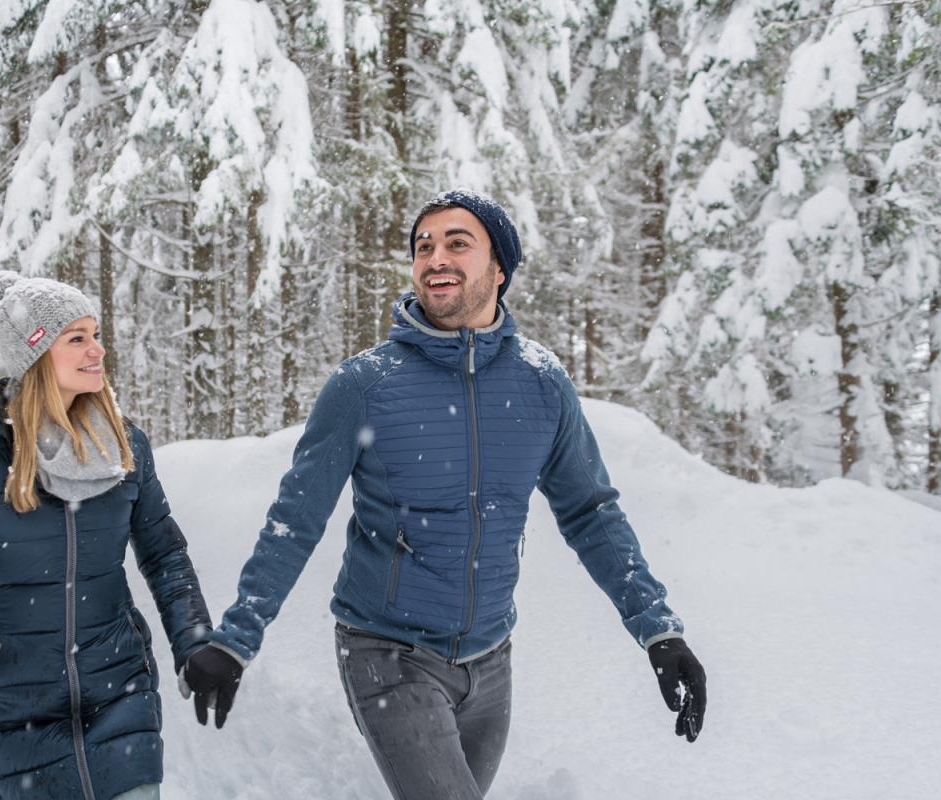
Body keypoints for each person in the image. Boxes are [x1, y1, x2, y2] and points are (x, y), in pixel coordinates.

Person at [181, 190, 707, 799]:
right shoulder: (365, 386)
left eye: (458, 243)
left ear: (499, 269)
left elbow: (591, 514)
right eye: (423, 246)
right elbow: (295, 521)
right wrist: (236, 639)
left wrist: (659, 632)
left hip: (492, 660)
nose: (436, 257)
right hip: (388, 652)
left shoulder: (541, 384)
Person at [0, 271, 211, 800]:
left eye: (96, 333)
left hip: (119, 694)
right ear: (36, 354)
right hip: (6, 713)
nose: (98, 349)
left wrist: (196, 642)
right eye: (78, 338)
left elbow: (164, 555)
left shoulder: (124, 446)